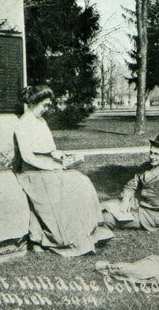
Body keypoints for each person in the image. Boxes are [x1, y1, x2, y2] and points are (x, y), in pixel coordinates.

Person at [14, 85, 113, 257]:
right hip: (34, 173)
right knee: (62, 188)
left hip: (50, 168)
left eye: (48, 106)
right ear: (33, 102)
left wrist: (62, 156)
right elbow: (27, 157)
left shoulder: (41, 122)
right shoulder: (23, 124)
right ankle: (66, 239)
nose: (46, 109)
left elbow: (50, 149)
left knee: (82, 181)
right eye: (44, 105)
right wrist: (51, 166)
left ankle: (91, 231)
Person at [101, 133, 159, 235]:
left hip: (151, 217)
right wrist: (125, 200)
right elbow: (130, 186)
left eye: (156, 154)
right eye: (151, 153)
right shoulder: (145, 166)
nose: (152, 157)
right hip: (135, 205)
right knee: (99, 207)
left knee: (106, 218)